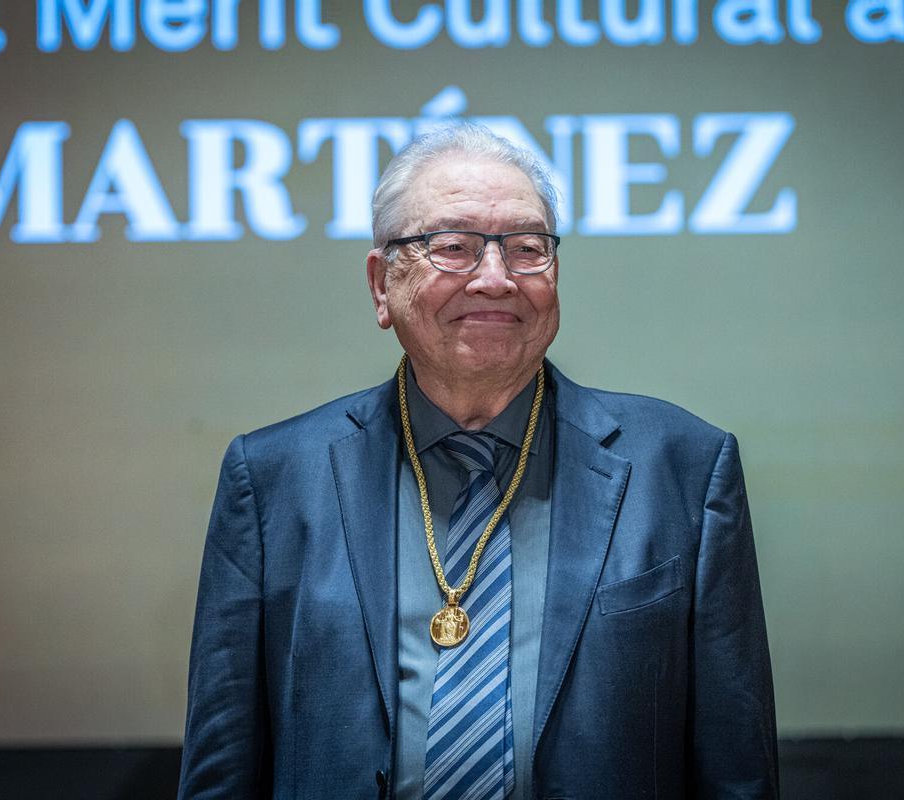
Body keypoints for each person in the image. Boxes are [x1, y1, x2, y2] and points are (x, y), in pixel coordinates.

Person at [178, 123, 779, 799]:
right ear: (382, 285)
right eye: (454, 248)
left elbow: (738, 770)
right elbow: (221, 768)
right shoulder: (273, 480)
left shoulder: (684, 468)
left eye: (527, 249)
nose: (496, 279)